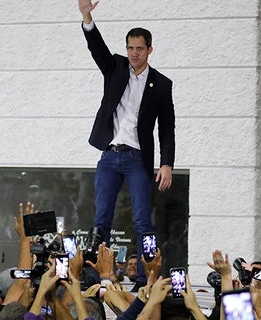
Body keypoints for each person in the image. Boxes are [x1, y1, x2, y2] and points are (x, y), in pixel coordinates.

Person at [78, 0, 176, 286]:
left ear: (149, 50)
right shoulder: (116, 67)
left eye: (140, 48)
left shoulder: (162, 84)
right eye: (131, 48)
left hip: (137, 159)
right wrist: (87, 16)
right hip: (110, 155)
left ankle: (146, 278)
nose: (134, 53)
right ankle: (95, 277)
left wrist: (167, 164)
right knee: (101, 221)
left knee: (143, 223)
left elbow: (167, 127)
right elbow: (96, 48)